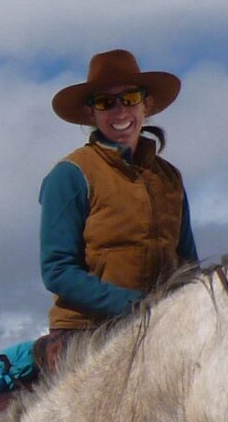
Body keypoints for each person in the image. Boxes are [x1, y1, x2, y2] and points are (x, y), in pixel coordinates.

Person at [39, 49, 198, 336]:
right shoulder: (70, 175)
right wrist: (135, 307)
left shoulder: (170, 178)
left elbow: (188, 263)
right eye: (105, 102)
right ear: (91, 113)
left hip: (160, 330)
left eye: (130, 98)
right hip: (86, 332)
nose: (120, 111)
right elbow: (57, 270)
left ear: (146, 105)